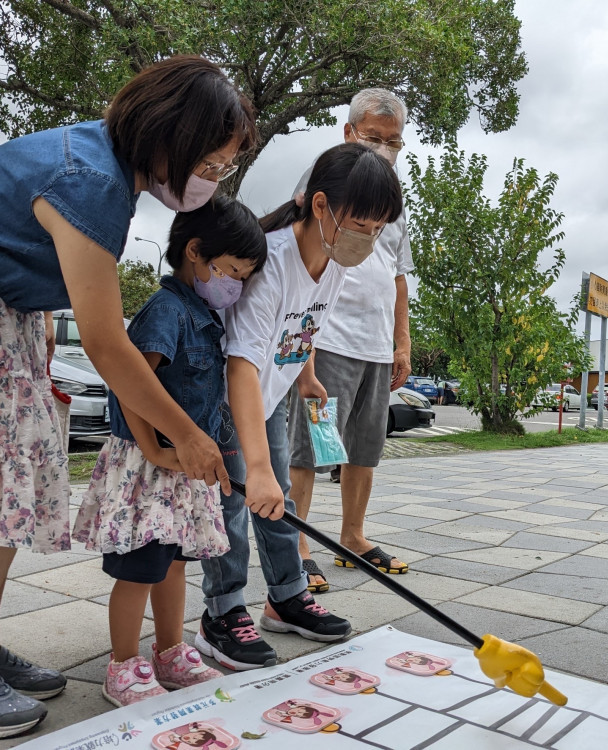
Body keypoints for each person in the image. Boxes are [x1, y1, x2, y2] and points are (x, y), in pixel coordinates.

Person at [0, 56, 253, 738]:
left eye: (224, 168)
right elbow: (108, 344)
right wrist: (192, 436)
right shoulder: (92, 181)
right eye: (211, 160)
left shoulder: (103, 165)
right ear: (170, 137)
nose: (214, 177)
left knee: (8, 476)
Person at [196, 143, 403, 670]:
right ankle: (221, 614)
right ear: (319, 206)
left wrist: (306, 377)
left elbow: (305, 326)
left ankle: (286, 599)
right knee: (236, 505)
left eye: (378, 230)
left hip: (272, 394)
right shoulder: (270, 262)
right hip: (228, 404)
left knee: (279, 500)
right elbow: (240, 366)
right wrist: (257, 465)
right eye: (360, 224)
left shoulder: (334, 262)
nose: (368, 239)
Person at [72, 197, 266, 706]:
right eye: (233, 272)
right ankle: (123, 665)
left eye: (245, 277)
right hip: (149, 465)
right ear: (196, 253)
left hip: (187, 466)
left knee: (177, 560)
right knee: (140, 566)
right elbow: (127, 381)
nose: (236, 286)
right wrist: (154, 450)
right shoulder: (166, 312)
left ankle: (170, 650)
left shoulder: (205, 314)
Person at [287, 89, 414, 593]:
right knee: (309, 449)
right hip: (329, 340)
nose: (384, 148)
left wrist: (401, 342)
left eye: (393, 140)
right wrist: (306, 347)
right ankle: (297, 545)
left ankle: (353, 537)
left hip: (376, 347)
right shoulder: (328, 177)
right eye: (373, 137)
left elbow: (400, 275)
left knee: (366, 448)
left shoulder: (395, 198)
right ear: (349, 133)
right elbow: (300, 260)